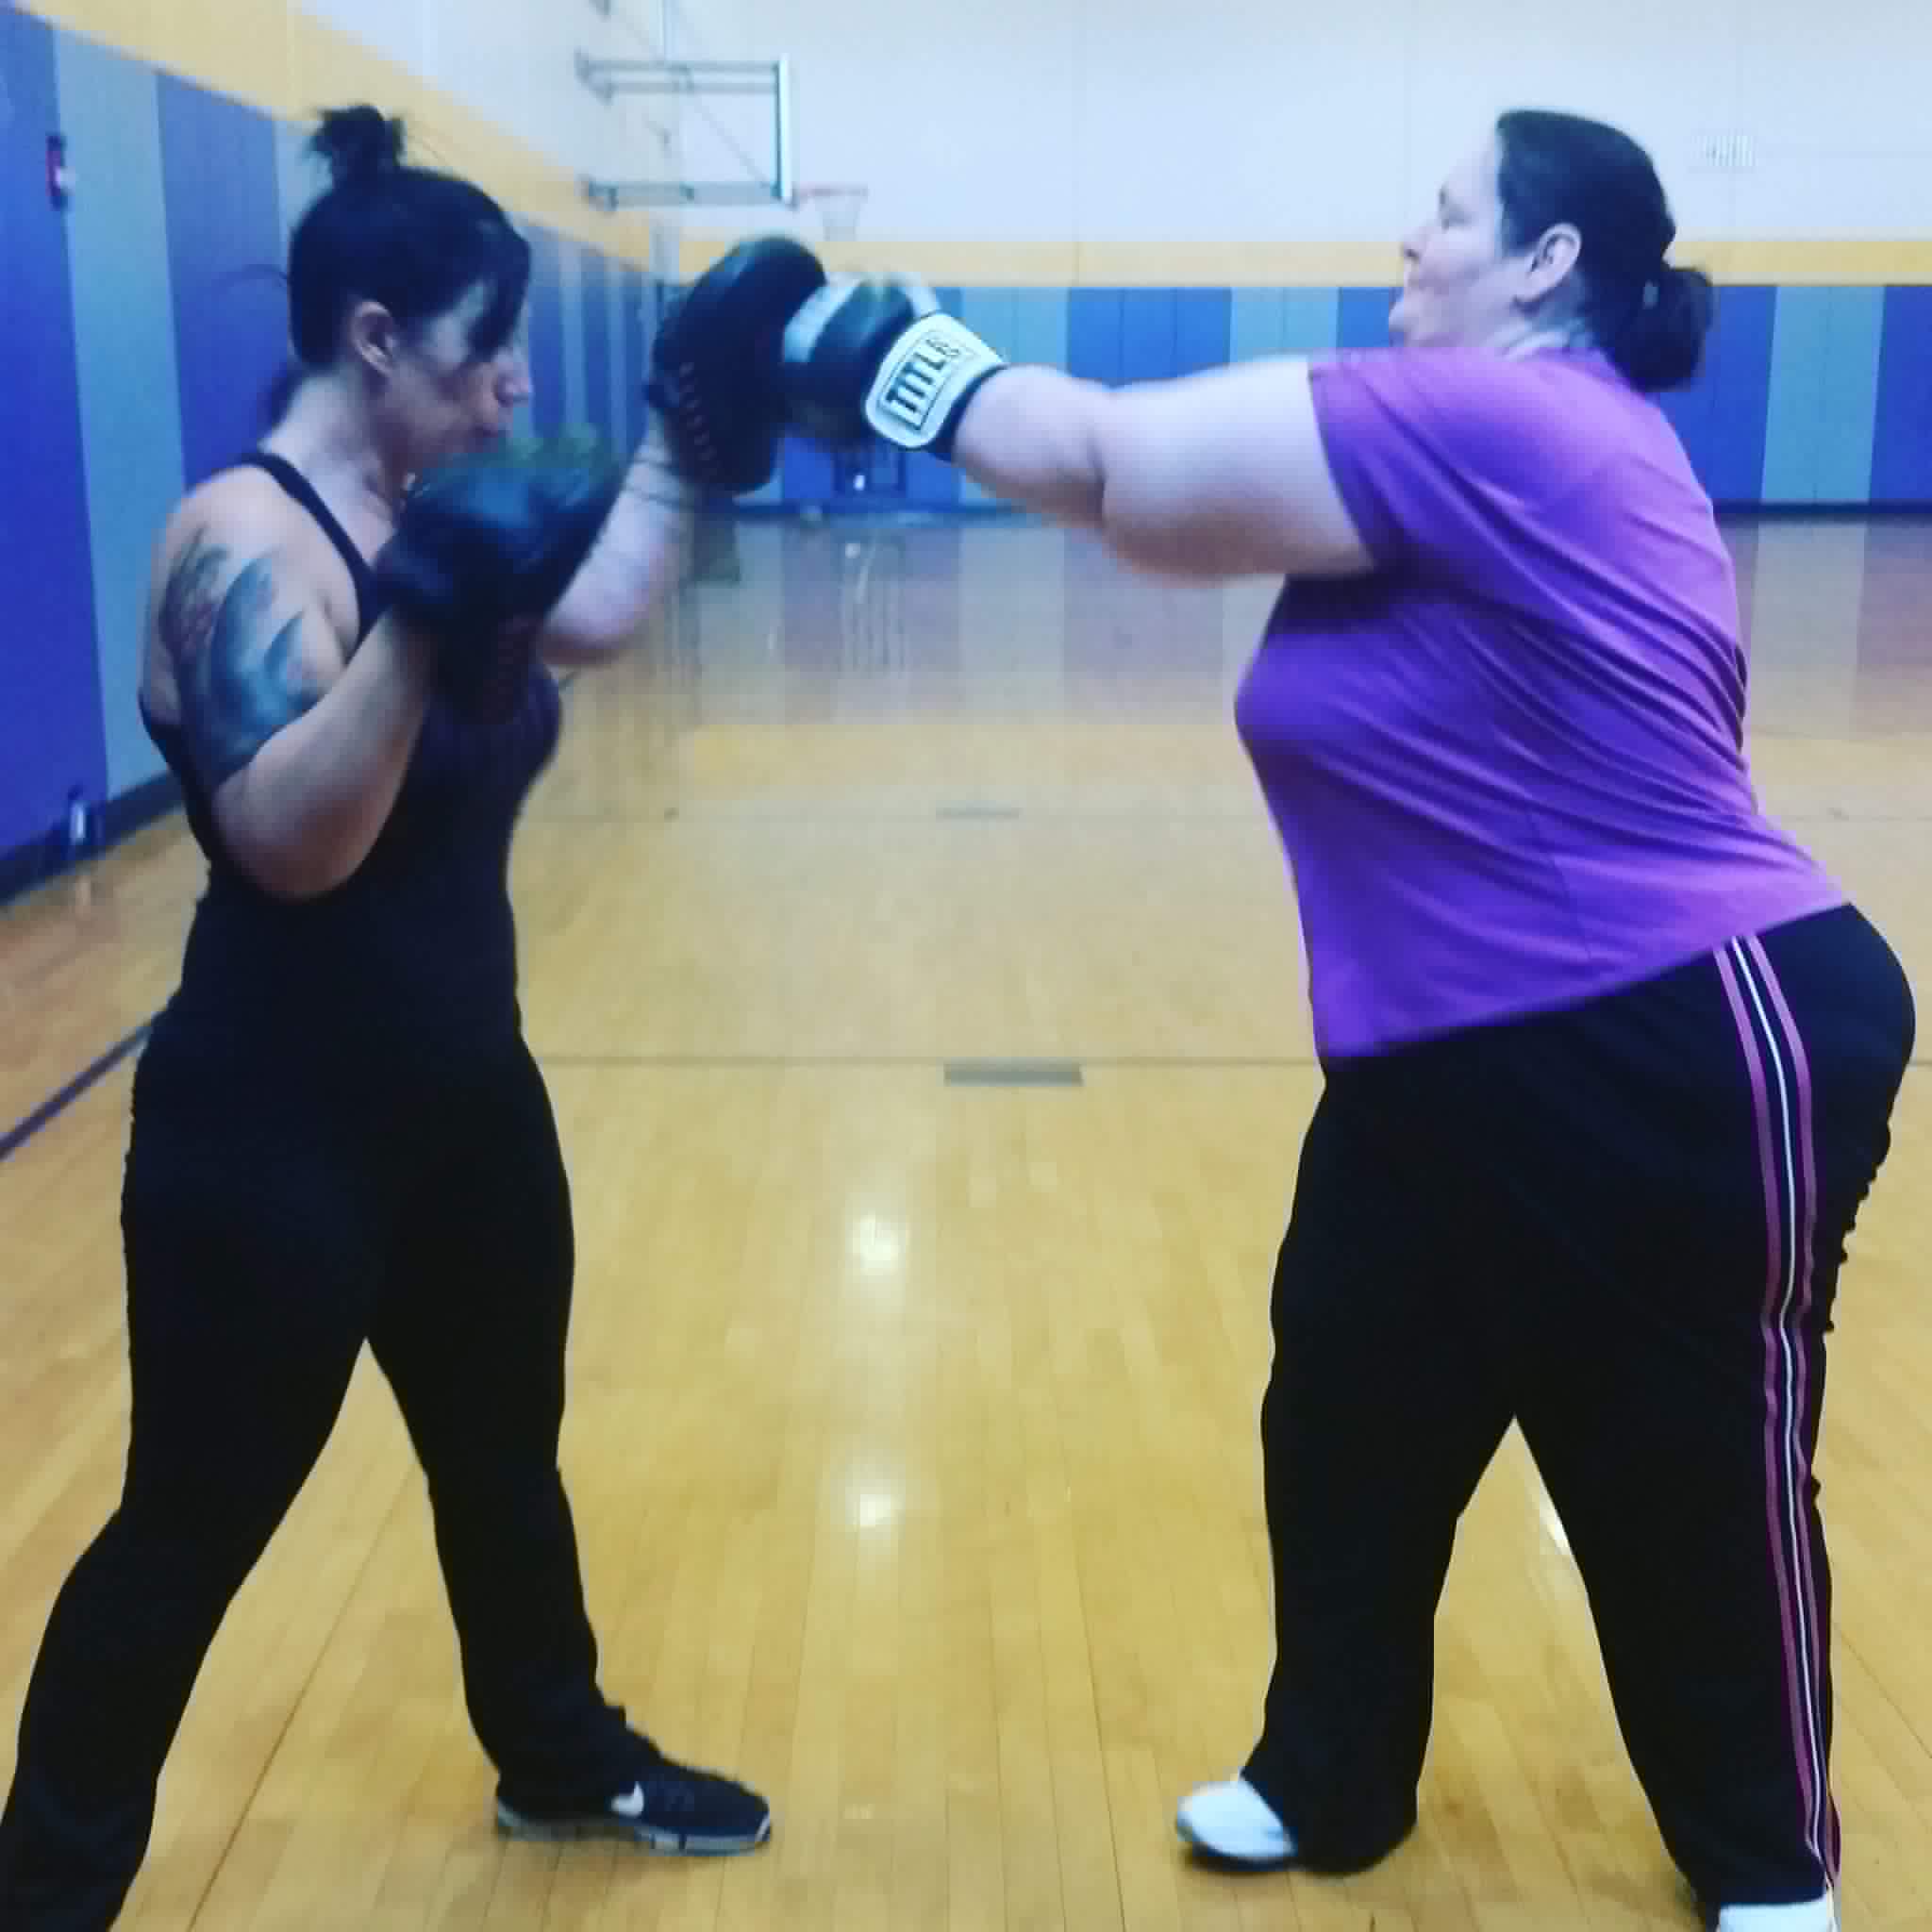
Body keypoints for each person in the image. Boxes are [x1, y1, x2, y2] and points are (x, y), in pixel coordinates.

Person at [681, 109, 1915, 1930]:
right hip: (1444, 1056)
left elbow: (1114, 474)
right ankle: (1328, 1775)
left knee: (1681, 1462)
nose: (1411, 238)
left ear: (1550, 263)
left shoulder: (1508, 416)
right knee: (1346, 1408)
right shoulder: (1495, 450)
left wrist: (833, 341)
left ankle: (1772, 1865)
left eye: (1448, 211)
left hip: (1670, 1036)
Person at [0, 104, 806, 1926]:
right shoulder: (239, 541)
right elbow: (293, 840)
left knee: (503, 1461)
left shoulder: (424, 509)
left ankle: (556, 1750)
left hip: (463, 1099)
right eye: (483, 350)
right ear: (376, 342)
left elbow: (582, 617)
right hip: (268, 1142)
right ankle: (47, 1887)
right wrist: (418, 627)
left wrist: (684, 448)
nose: (518, 388)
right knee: (187, 1532)